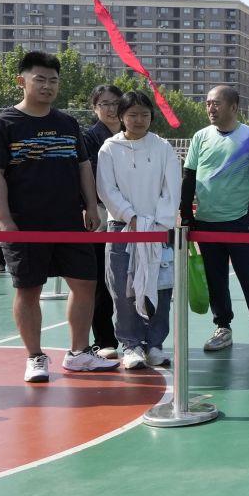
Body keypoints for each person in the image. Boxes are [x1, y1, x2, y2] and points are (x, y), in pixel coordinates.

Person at [0, 52, 119, 382]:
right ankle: (35, 357)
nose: (47, 86)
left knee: (85, 284)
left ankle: (79, 353)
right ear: (22, 81)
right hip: (24, 223)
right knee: (28, 289)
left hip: (69, 221)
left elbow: (83, 167)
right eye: (40, 79)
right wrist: (4, 219)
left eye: (53, 80)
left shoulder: (67, 123)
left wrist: (90, 206)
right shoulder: (0, 126)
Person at [182, 85, 249, 355]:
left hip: (240, 221)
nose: (210, 108)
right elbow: (189, 176)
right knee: (215, 279)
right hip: (206, 221)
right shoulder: (200, 137)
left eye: (216, 103)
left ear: (234, 107)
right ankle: (222, 327)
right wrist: (187, 214)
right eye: (208, 103)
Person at [95, 90, 181, 370]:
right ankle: (131, 345)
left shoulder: (162, 147)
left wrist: (157, 222)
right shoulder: (109, 148)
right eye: (132, 114)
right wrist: (130, 216)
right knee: (123, 289)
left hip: (157, 231)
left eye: (145, 114)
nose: (139, 120)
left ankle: (155, 344)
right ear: (121, 116)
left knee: (161, 287)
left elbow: (172, 187)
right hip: (121, 228)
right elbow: (106, 189)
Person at [80, 85, 124, 359]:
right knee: (101, 281)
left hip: (132, 215)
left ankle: (136, 338)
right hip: (101, 213)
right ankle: (104, 339)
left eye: (116, 103)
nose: (111, 109)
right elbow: (91, 177)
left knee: (131, 278)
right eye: (104, 104)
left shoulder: (133, 134)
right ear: (95, 108)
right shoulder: (89, 138)